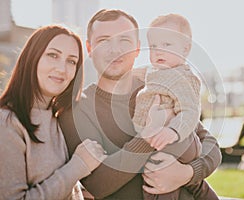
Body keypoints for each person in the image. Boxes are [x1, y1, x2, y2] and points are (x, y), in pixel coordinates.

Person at [59, 9, 221, 199]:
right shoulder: (77, 109)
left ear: (137, 48)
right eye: (103, 40)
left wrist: (187, 174)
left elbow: (210, 146)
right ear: (89, 48)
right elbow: (96, 185)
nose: (115, 49)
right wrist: (148, 136)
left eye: (124, 41)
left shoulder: (158, 86)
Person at [0, 25, 106, 200]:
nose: (62, 69)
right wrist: (78, 166)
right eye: (53, 55)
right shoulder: (7, 122)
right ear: (32, 58)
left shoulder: (58, 117)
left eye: (71, 61)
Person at [132, 13, 204, 200]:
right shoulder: (159, 72)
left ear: (186, 49)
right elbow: (144, 74)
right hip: (162, 139)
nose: (158, 51)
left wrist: (172, 131)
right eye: (154, 46)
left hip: (175, 139)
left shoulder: (182, 77)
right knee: (163, 183)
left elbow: (190, 110)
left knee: (157, 183)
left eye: (167, 45)